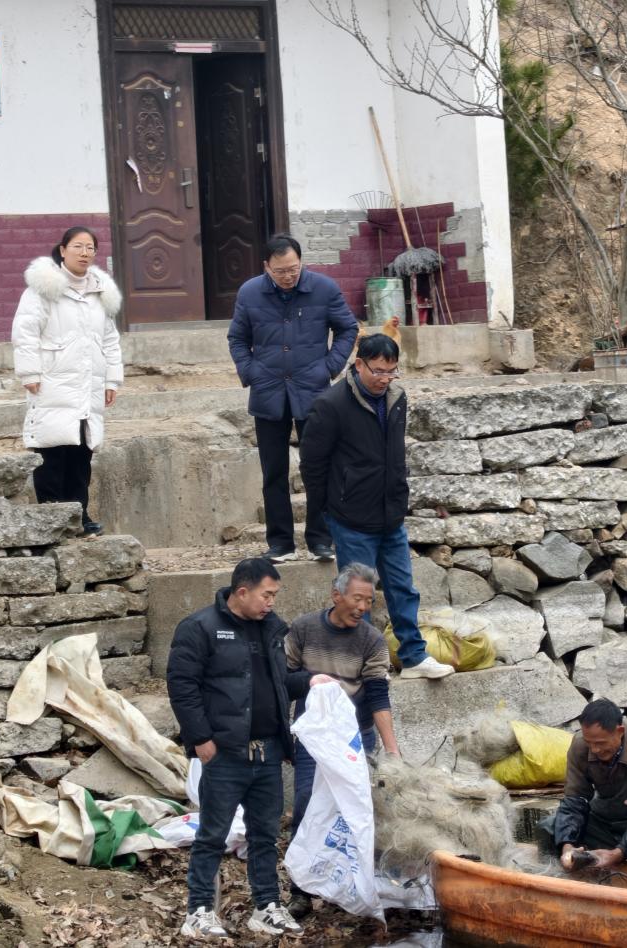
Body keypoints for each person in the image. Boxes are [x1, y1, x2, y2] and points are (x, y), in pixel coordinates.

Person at [166, 557, 313, 940]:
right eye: (267, 594)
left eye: (275, 595)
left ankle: (266, 907)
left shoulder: (272, 629)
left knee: (264, 835)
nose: (271, 602)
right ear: (242, 591)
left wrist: (312, 681)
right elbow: (182, 685)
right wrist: (200, 738)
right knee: (212, 835)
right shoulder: (200, 627)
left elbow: (277, 684)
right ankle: (199, 912)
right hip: (225, 753)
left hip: (268, 752)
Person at [299, 333, 453, 680]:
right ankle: (367, 664)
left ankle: (413, 657)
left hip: (391, 513)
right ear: (359, 365)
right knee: (358, 595)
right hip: (350, 517)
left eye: (392, 371)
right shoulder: (331, 404)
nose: (385, 379)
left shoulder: (397, 398)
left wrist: (400, 496)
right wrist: (326, 510)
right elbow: (312, 464)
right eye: (378, 371)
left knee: (403, 588)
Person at [228, 234, 358, 564]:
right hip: (268, 391)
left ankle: (320, 540)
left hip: (313, 392)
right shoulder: (249, 292)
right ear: (266, 267)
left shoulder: (324, 289)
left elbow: (347, 329)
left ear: (301, 263)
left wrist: (329, 368)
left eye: (293, 269)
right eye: (280, 271)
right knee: (273, 472)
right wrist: (250, 372)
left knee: (319, 468)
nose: (288, 276)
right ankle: (280, 543)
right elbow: (237, 339)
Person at [284, 561, 400, 916]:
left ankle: (354, 884)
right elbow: (283, 681)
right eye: (357, 599)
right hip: (315, 737)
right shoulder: (303, 629)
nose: (363, 607)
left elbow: (378, 696)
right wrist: (309, 686)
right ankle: (300, 890)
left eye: (370, 601)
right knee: (306, 801)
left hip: (355, 737)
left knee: (356, 809)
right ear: (336, 595)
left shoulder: (372, 640)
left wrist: (392, 750)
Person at [12, 226, 122, 535]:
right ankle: (52, 516)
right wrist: (30, 373)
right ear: (62, 250)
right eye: (78, 246)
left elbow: (110, 340)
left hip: (88, 384)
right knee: (53, 449)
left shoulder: (101, 293)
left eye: (90, 248)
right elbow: (25, 332)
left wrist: (112, 380)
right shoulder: (42, 290)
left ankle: (80, 515)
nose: (84, 253)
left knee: (81, 453)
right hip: (52, 381)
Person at [537, 698, 627, 892]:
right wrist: (567, 845)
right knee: (548, 828)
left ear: (620, 732)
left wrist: (618, 853)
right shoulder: (580, 744)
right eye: (590, 743)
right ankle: (558, 893)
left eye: (600, 743)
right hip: (605, 821)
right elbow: (575, 800)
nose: (594, 750)